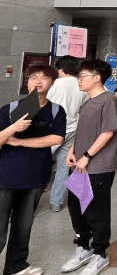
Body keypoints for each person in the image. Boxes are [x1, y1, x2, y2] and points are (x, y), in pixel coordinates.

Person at [0, 64, 66, 275]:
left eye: (44, 77)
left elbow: (57, 138)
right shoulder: (10, 108)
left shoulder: (56, 110)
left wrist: (19, 142)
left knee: (24, 225)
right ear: (26, 82)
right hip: (5, 177)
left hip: (35, 176)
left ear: (52, 83)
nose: (38, 81)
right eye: (33, 77)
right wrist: (13, 128)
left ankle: (16, 266)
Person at [61, 59, 117, 275]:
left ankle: (100, 253)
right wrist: (72, 151)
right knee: (77, 206)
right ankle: (83, 247)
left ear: (96, 78)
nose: (79, 80)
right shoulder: (87, 101)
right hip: (80, 164)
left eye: (83, 76)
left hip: (98, 165)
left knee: (96, 209)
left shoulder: (109, 100)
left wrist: (87, 156)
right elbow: (82, 131)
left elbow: (108, 132)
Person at [47, 55, 89, 213]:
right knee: (63, 168)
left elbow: (43, 104)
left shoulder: (54, 83)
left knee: (35, 164)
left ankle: (26, 206)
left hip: (52, 131)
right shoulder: (81, 84)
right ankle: (56, 202)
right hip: (72, 129)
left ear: (61, 69)